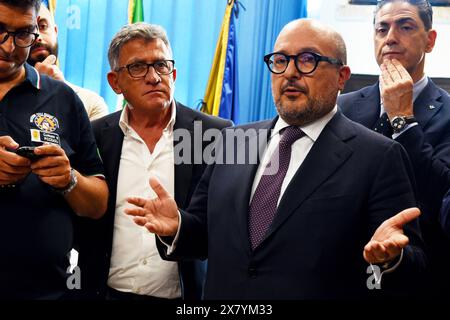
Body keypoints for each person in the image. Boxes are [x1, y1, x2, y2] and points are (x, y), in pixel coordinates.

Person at [125, 19, 426, 299]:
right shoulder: (232, 141)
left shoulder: (378, 156)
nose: (290, 73)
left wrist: (392, 259)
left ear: (341, 77)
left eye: (308, 60)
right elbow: (204, 233)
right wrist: (177, 226)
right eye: (280, 61)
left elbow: (413, 264)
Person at [75, 22, 232, 301]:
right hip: (106, 293)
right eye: (137, 67)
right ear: (115, 82)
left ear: (173, 73)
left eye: (161, 65)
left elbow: (225, 228)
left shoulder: (214, 135)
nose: (153, 77)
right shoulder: (96, 135)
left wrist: (179, 227)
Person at [337, 0, 450, 295]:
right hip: (342, 274)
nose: (390, 37)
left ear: (430, 40)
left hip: (422, 277)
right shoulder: (342, 107)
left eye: (406, 26)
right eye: (382, 28)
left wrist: (403, 120)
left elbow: (442, 198)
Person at [0, 0, 108, 299]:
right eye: (0, 30)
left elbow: (97, 204)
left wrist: (68, 180)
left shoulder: (63, 99)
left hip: (48, 291)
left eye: (23, 34)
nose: (10, 47)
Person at [27, 4, 109, 121]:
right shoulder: (6, 97)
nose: (38, 36)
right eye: (28, 30)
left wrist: (62, 94)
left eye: (43, 26)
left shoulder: (91, 103)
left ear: (55, 31)